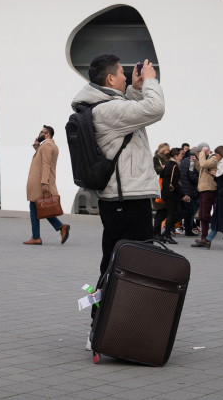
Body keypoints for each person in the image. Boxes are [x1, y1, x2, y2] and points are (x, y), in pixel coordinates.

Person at [71, 53, 164, 276]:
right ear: (110, 79)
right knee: (136, 264)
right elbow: (155, 108)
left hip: (118, 201)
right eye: (122, 72)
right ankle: (123, 308)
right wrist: (150, 80)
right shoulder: (108, 110)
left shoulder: (103, 107)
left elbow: (126, 114)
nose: (126, 76)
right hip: (128, 202)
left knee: (114, 260)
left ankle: (102, 308)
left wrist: (134, 90)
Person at [24, 125, 70, 245]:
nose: (39, 134)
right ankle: (59, 228)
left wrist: (44, 183)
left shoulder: (47, 145)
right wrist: (36, 147)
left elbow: (46, 165)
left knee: (38, 207)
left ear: (47, 134)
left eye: (42, 132)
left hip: (40, 183)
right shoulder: (50, 146)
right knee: (41, 208)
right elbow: (43, 159)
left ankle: (37, 236)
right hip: (41, 182)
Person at [158, 147, 187, 244]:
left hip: (167, 193)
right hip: (171, 194)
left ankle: (166, 233)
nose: (182, 157)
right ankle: (167, 235)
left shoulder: (168, 165)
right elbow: (174, 183)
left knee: (177, 213)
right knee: (173, 214)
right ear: (175, 156)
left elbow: (162, 176)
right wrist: (183, 195)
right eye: (181, 155)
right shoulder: (174, 166)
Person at [192, 143, 218, 248]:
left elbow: (203, 165)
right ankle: (204, 238)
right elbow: (201, 169)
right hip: (203, 189)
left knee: (205, 214)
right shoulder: (206, 159)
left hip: (210, 189)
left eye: (199, 152)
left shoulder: (213, 158)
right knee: (202, 215)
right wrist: (196, 162)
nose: (199, 154)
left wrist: (202, 153)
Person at [178, 143, 199, 236]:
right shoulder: (193, 161)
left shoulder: (183, 161)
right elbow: (192, 176)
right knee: (190, 211)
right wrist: (200, 179)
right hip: (191, 189)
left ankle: (186, 228)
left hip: (184, 188)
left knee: (186, 211)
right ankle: (188, 230)